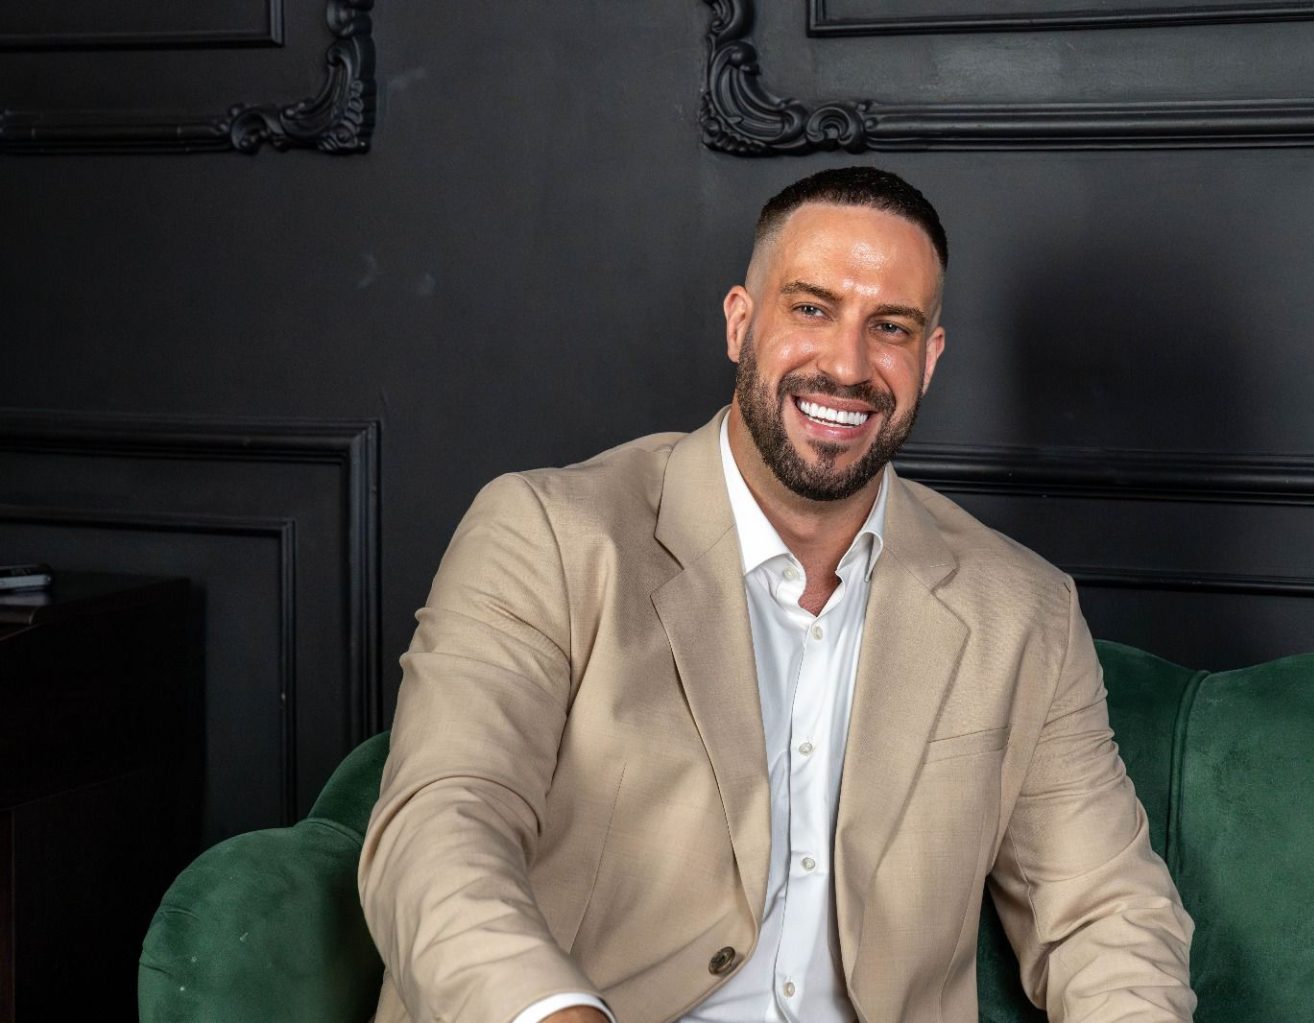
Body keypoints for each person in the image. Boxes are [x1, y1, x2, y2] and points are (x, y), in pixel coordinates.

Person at [359, 166, 1195, 1023]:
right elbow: (439, 827)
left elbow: (1106, 912)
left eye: (891, 327)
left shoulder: (1022, 610)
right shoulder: (549, 536)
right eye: (812, 308)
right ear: (740, 322)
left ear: (930, 358)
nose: (847, 364)